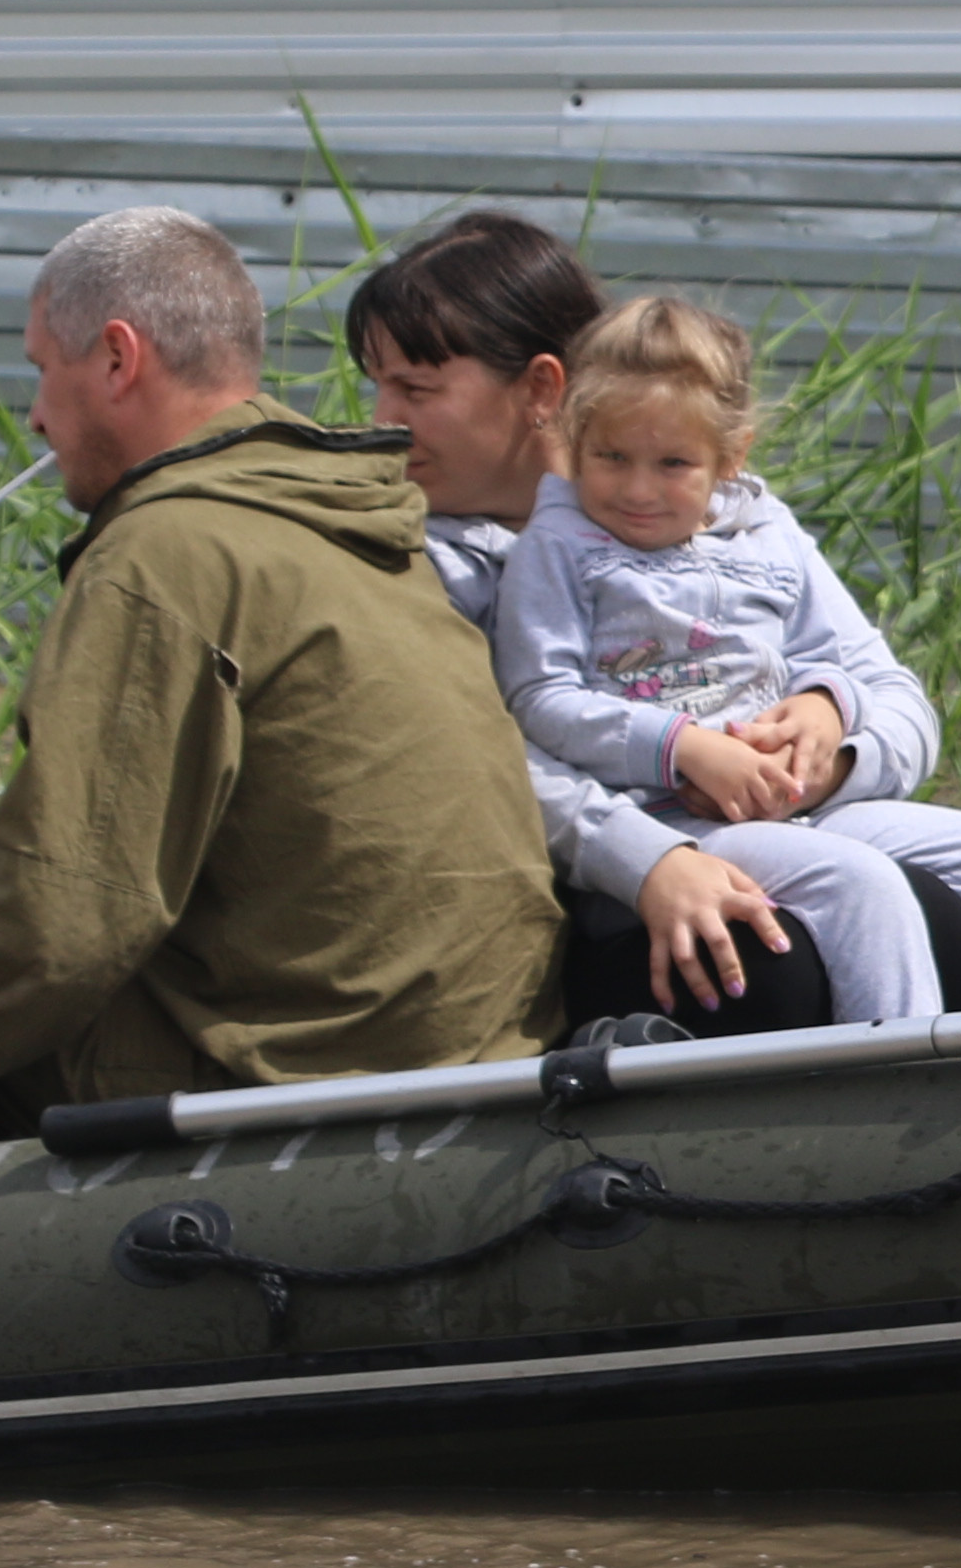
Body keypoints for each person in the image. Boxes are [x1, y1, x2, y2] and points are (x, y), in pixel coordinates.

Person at [0, 207, 563, 1150]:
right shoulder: (348, 514)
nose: (40, 415)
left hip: (288, 1083)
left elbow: (65, 918)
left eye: (44, 370)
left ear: (119, 359)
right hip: (475, 1050)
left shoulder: (165, 552)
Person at [492, 292, 961, 1028]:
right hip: (669, 825)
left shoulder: (768, 531)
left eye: (672, 464)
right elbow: (539, 697)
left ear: (731, 457)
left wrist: (826, 714)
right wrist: (683, 750)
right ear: (574, 439)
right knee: (862, 886)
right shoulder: (558, 546)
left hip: (792, 809)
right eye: (611, 458)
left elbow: (849, 665)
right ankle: (905, 1089)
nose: (636, 489)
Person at [345, 207, 850, 1022]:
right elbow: (489, 757)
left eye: (416, 389)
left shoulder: (733, 520)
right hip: (575, 898)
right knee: (762, 969)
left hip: (772, 823)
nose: (382, 420)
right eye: (379, 386)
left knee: (952, 905)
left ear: (545, 389)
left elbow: (883, 687)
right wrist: (649, 859)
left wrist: (826, 734)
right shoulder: (411, 564)